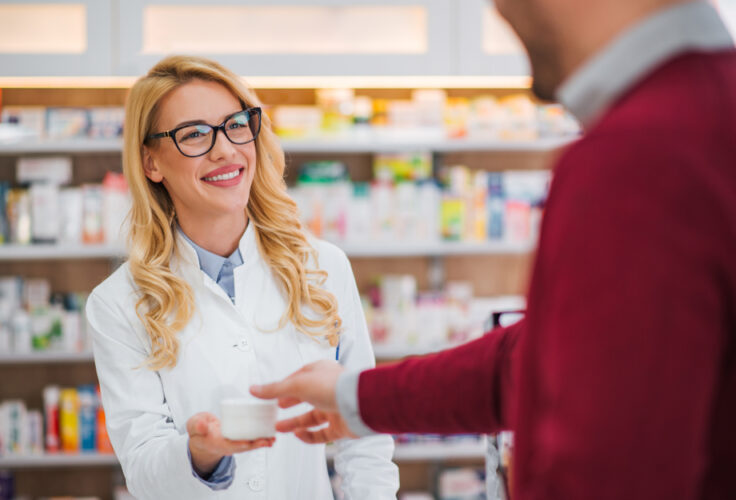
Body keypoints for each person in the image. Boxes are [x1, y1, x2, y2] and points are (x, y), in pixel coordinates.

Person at [251, 1, 736, 498]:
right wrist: (356, 397)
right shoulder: (707, 111)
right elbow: (542, 361)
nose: (500, 11)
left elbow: (608, 472)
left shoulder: (638, 157)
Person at [86, 55, 398, 499]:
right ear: (151, 164)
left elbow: (364, 435)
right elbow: (142, 468)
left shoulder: (323, 268)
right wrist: (200, 453)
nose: (225, 150)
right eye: (194, 134)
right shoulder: (118, 303)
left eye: (236, 124)